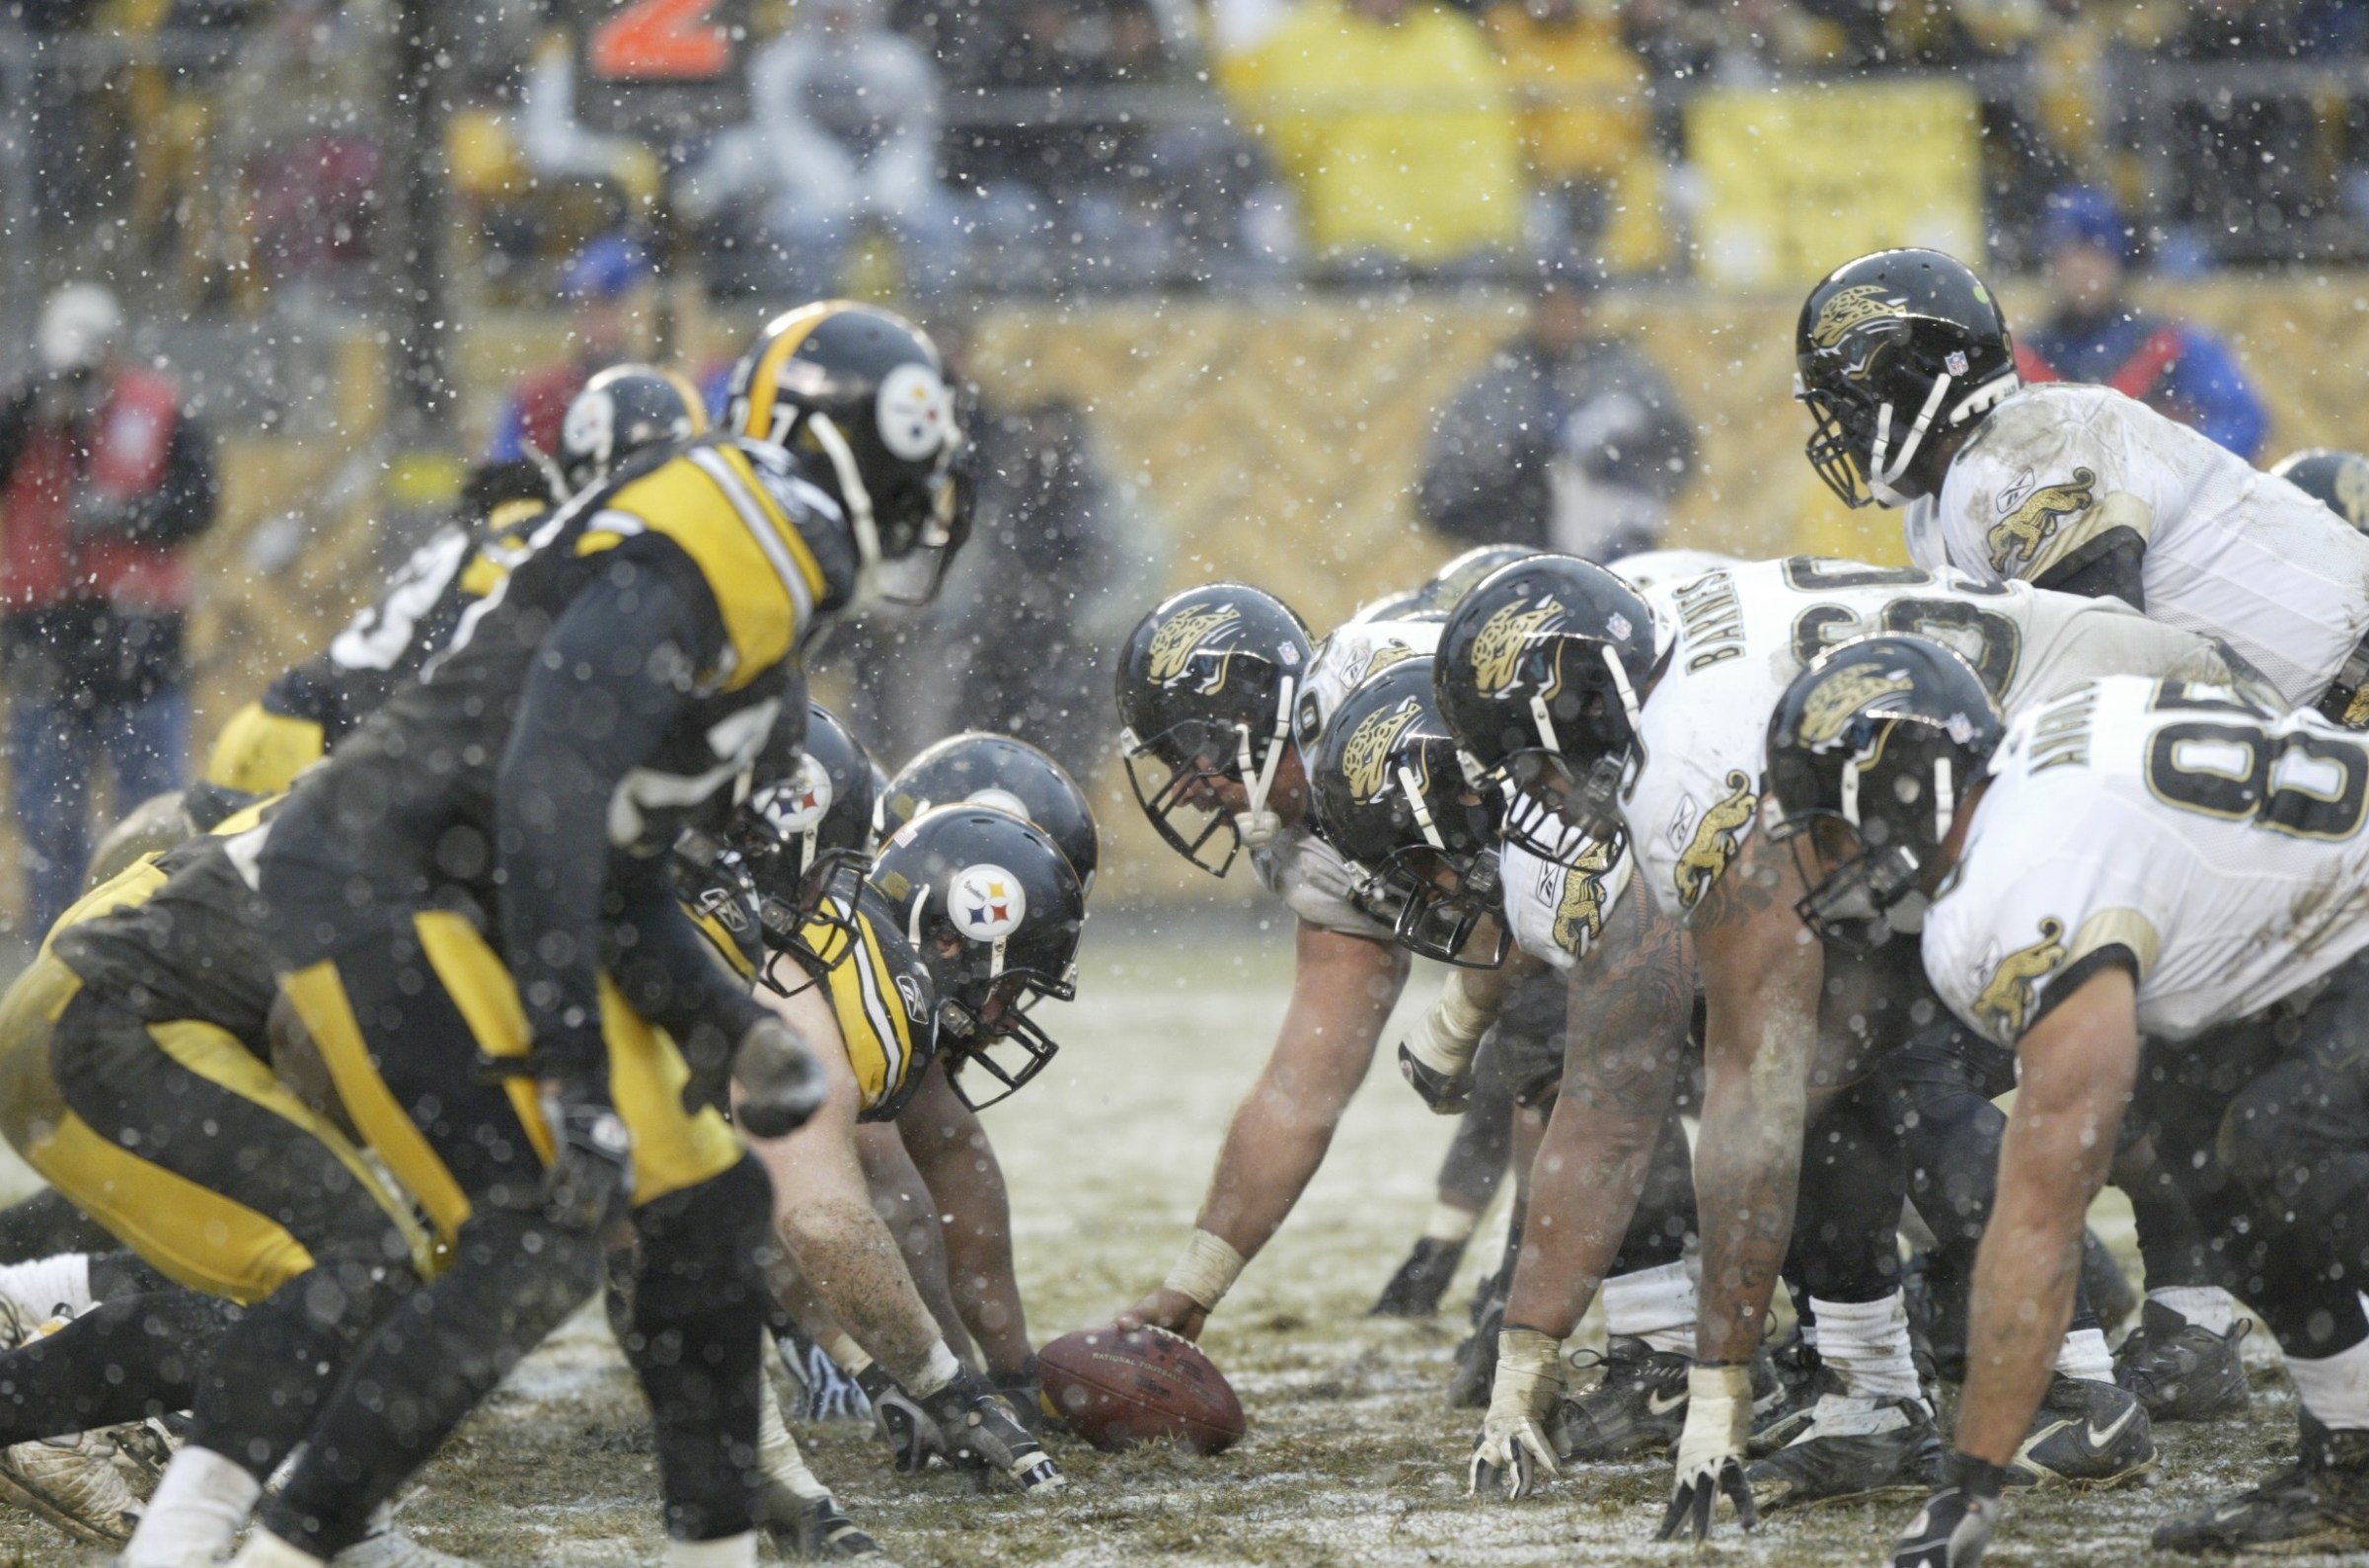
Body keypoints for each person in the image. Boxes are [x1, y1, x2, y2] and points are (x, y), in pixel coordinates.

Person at [142, 302, 969, 1568]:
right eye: (909, 460)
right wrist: (577, 1074)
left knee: (703, 1208)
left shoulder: (763, 597)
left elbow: (616, 868)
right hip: (389, 878)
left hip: (458, 881)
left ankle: (722, 1545)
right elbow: (548, 795)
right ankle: (284, 1545)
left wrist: (728, 1024)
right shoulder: (741, 536)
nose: (927, 500)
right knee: (534, 1233)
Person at [1430, 553, 2250, 1534]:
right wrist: (1527, 1365)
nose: (1543, 795)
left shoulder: (1694, 751)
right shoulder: (1649, 630)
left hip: (2123, 771)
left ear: (1579, 699)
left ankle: (2075, 1382)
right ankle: (1871, 1389)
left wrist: (1717, 1387)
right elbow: (1615, 1090)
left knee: (1896, 1074)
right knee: (1833, 1064)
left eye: (1535, 761)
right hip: (2025, 775)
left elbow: (1739, 1088)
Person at [1762, 644, 2369, 1563]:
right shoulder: (2030, 772)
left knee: (2288, 1138)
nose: (1822, 856)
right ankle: (2354, 1458)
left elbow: (2042, 1217)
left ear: (1904, 790)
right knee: (2196, 1145)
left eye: (1832, 825)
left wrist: (1970, 1482)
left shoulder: (2017, 882)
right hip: (2328, 928)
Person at [1795, 246, 2369, 731]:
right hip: (2310, 718)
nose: (1843, 430)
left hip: (2347, 700)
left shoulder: (2027, 447)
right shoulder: (1939, 511)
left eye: (1849, 406)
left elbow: (2114, 682)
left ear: (1910, 380)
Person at [0, 282, 217, 936]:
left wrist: (128, 516)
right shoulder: (22, 412)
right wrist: (33, 407)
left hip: (139, 644)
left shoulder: (161, 409)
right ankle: (55, 952)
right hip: (45, 643)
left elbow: (201, 504)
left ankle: (153, 947)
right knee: (48, 821)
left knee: (151, 813)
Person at [1218, 0, 1526, 277]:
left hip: (1464, 228)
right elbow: (1293, 135)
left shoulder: (1449, 36)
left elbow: (1489, 130)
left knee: (1482, 278)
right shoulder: (1307, 37)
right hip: (1358, 231)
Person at [678, 0, 959, 302]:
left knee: (938, 226)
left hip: (895, 184)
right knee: (806, 228)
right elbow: (786, 137)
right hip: (809, 188)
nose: (840, 15)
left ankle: (938, 322)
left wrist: (893, 188)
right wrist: (836, 189)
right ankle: (811, 317)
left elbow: (914, 135)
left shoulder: (901, 61)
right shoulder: (780, 61)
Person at [1418, 261, 1695, 559]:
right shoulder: (1496, 386)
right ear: (1535, 312)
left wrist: (1622, 481)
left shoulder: (1626, 376)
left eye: (1571, 308)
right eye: (1552, 308)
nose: (1562, 319)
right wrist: (1514, 497)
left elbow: (1677, 449)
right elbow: (1442, 490)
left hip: (1614, 548)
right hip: (1521, 556)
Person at [2013, 187, 2267, 461]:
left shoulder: (2170, 344)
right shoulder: (2024, 358)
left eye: (2094, 253)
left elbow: (2242, 420)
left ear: (2116, 259)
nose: (2081, 267)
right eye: (2069, 255)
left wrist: (2175, 467)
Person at [487, 234, 652, 467]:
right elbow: (503, 479)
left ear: (638, 306)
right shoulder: (538, 395)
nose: (593, 318)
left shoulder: (668, 393)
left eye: (608, 304)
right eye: (584, 305)